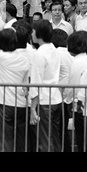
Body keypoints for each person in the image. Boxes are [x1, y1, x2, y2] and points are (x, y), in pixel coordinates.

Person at [0, 28, 31, 152]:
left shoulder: (0, 57)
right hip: (22, 102)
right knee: (21, 139)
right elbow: (25, 81)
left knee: (6, 139)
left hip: (4, 103)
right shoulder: (23, 58)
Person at [29, 20, 62, 152]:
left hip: (44, 100)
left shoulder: (39, 54)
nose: (31, 33)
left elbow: (35, 82)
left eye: (33, 31)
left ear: (38, 33)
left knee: (44, 140)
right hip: (56, 98)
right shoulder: (54, 49)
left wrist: (32, 108)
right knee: (54, 137)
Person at [66, 30, 87, 152]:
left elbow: (73, 85)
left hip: (80, 104)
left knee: (82, 138)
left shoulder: (76, 61)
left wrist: (67, 100)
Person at [50, 28, 74, 152]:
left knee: (58, 131)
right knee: (62, 131)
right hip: (67, 96)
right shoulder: (69, 53)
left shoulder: (57, 53)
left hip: (59, 97)